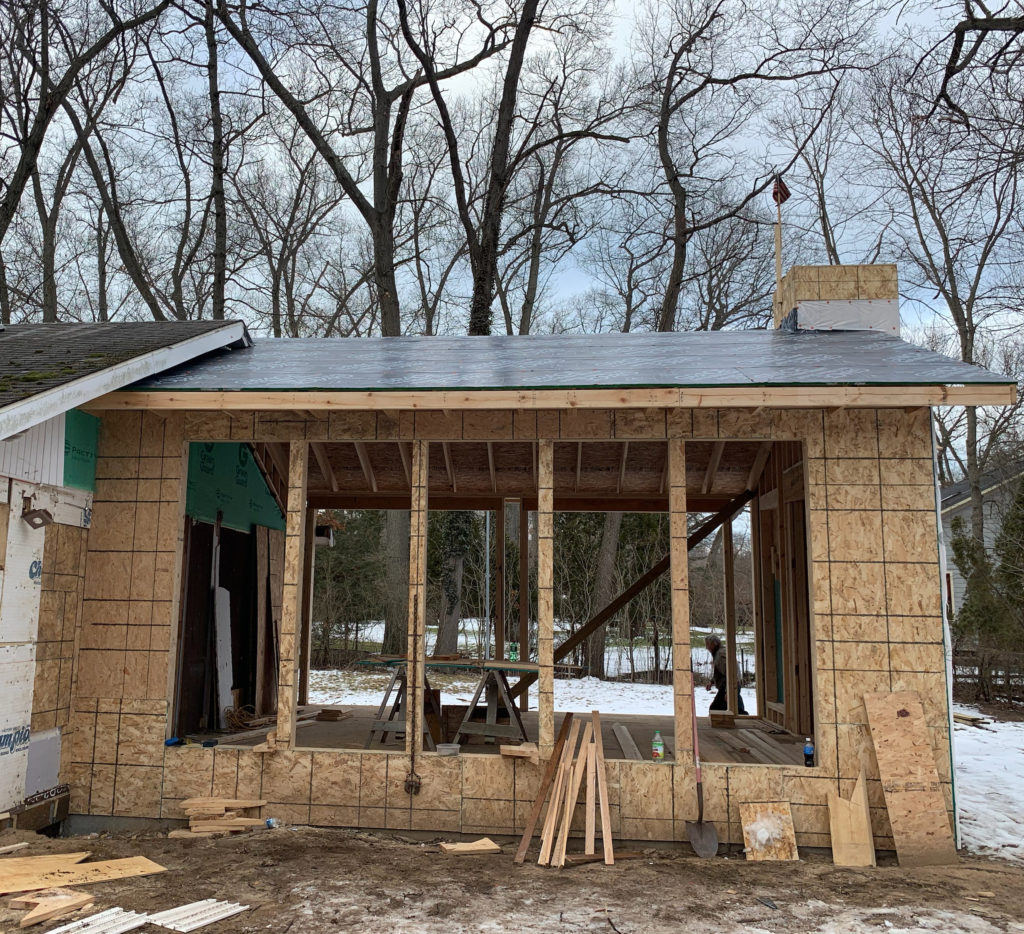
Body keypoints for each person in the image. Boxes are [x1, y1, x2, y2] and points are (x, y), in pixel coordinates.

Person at [705, 634, 746, 714]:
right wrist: (712, 681)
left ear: (714, 644)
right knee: (736, 709)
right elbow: (720, 672)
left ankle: (746, 722)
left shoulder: (720, 655)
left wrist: (728, 691)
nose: (707, 648)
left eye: (708, 645)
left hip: (730, 686)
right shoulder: (719, 653)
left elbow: (731, 672)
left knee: (715, 709)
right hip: (731, 685)